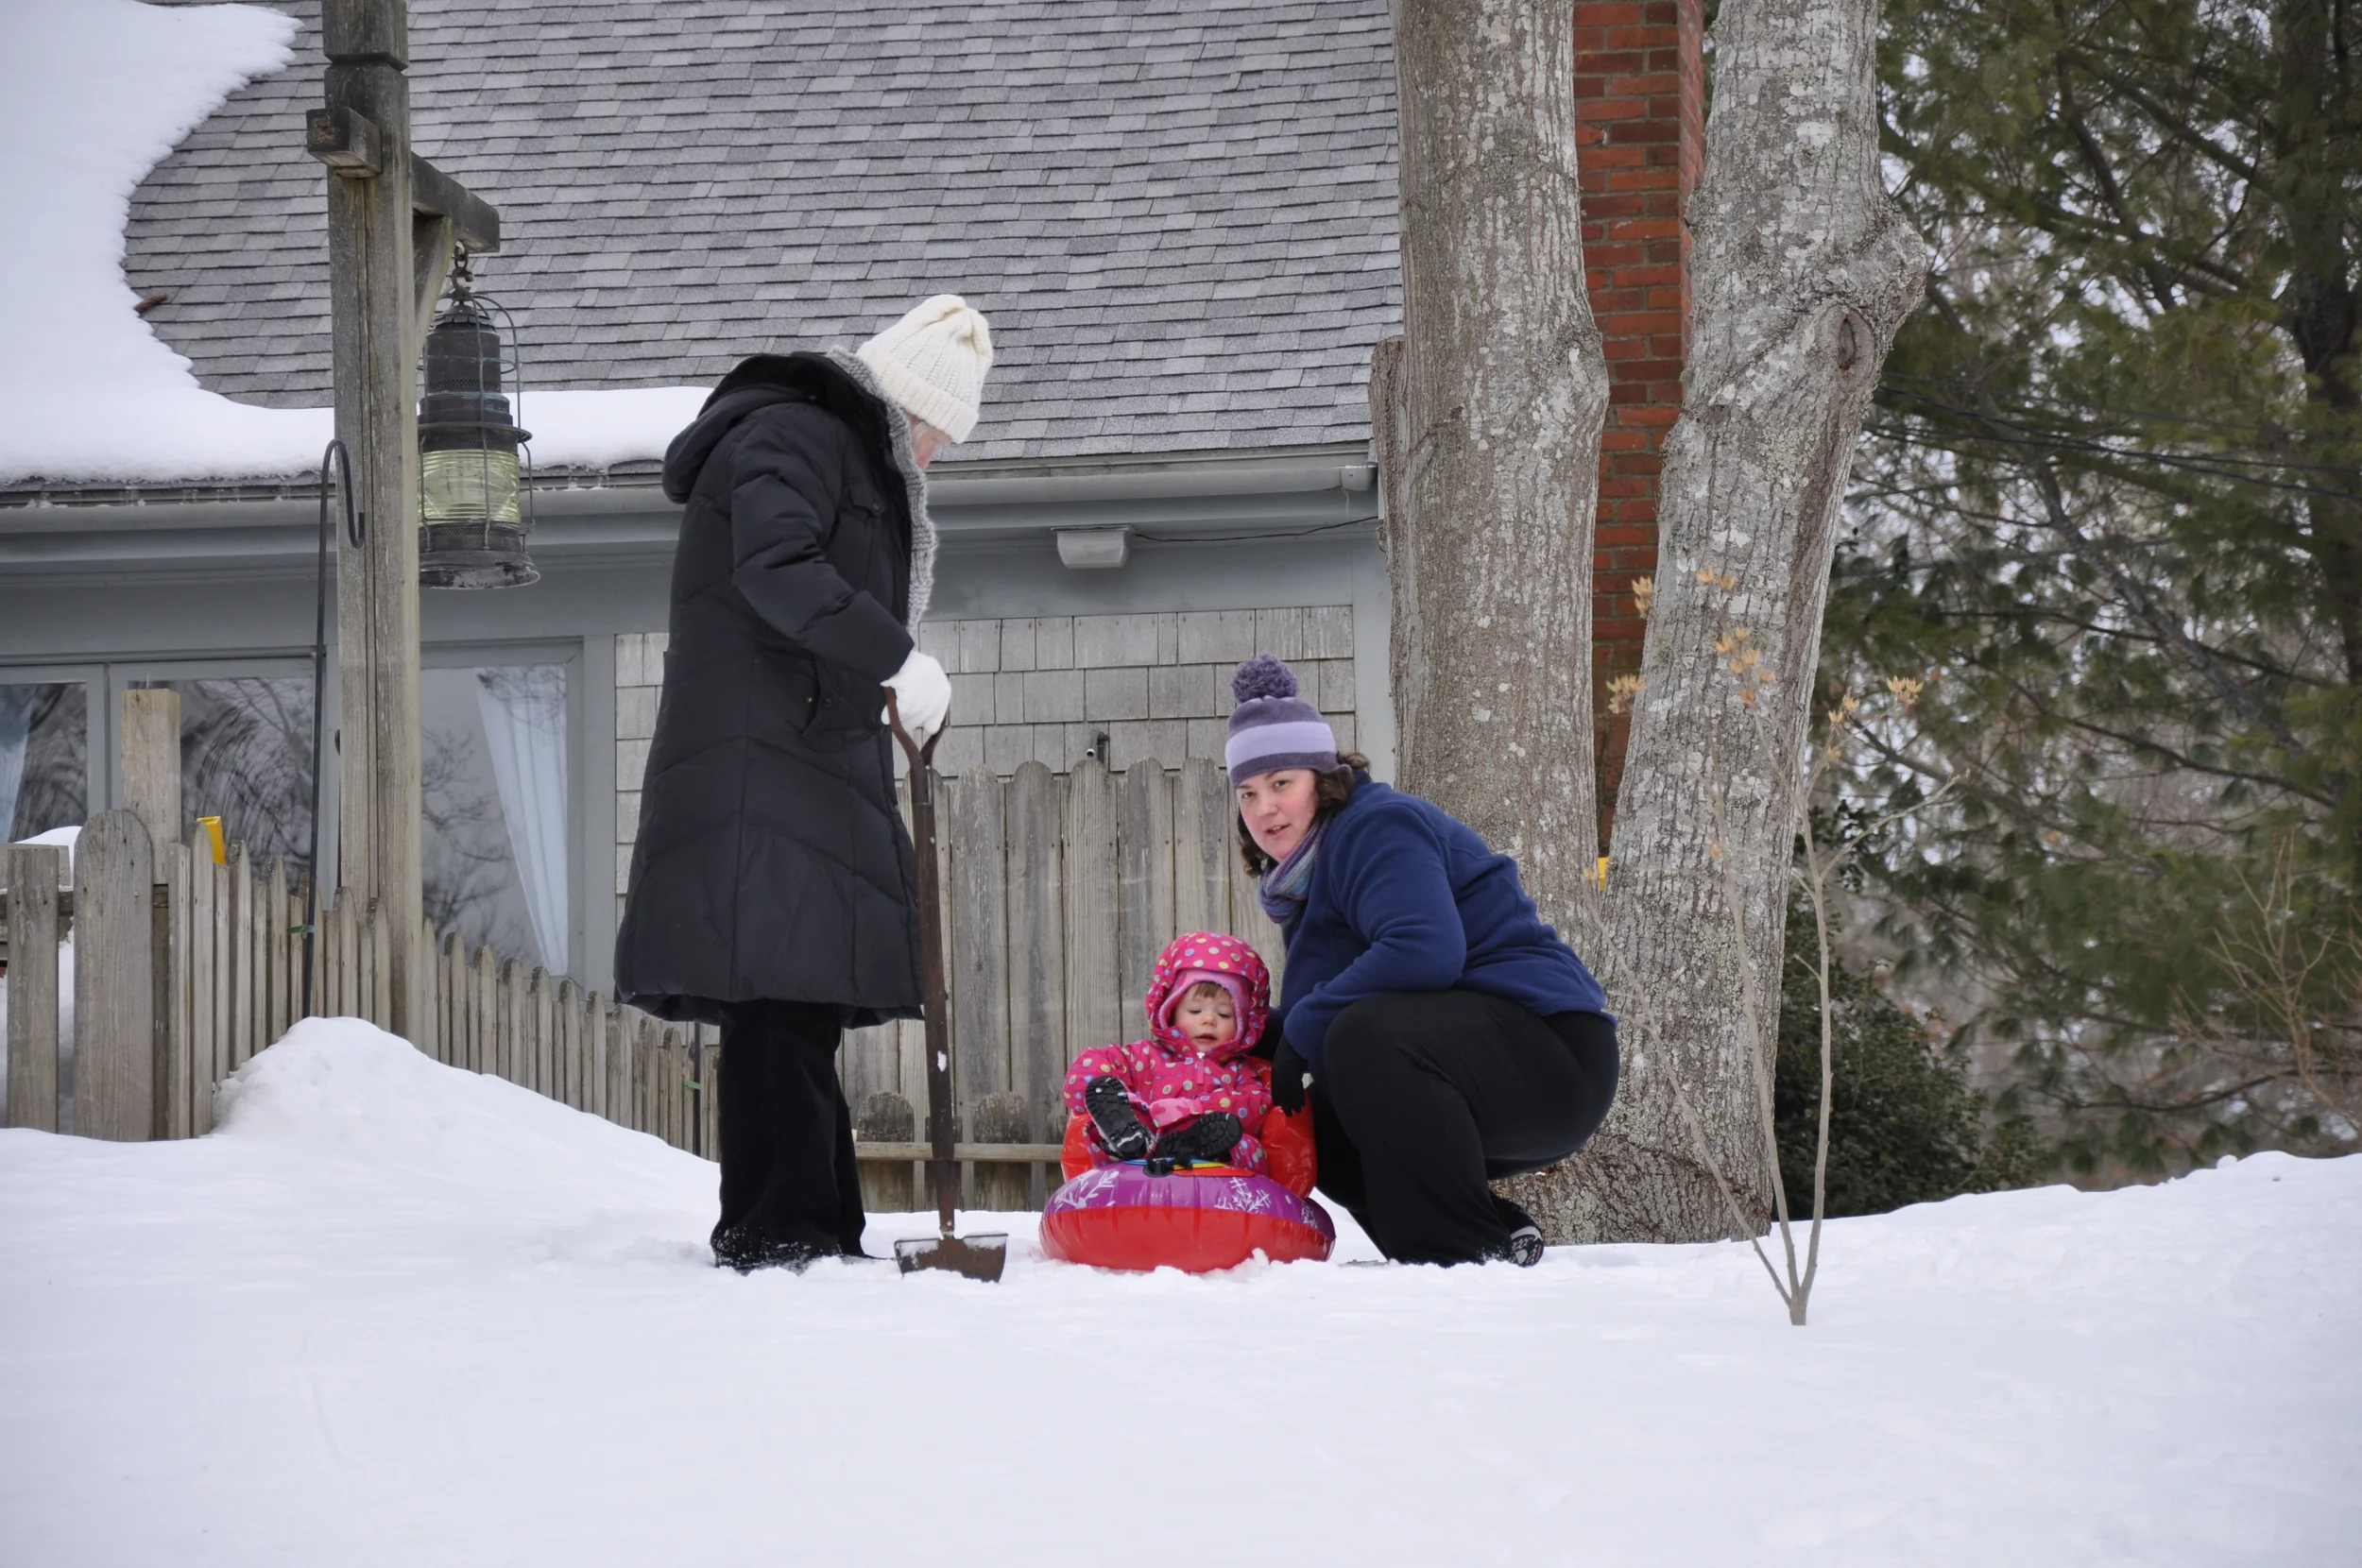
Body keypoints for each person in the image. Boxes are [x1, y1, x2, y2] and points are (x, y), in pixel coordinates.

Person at [614, 295, 992, 1271]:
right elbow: (777, 564)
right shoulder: (791, 434)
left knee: (801, 997)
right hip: (758, 757)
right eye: (936, 434)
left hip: (805, 747)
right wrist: (894, 656)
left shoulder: (837, 449)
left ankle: (818, 1230)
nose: (934, 458)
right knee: (778, 990)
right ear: (907, 405)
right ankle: (779, 1232)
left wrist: (883, 685)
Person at [1225, 655, 1619, 1266]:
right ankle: (1489, 1237)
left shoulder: (1375, 827)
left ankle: (1451, 1261)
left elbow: (1423, 951)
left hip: (1551, 1058)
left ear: (1322, 780)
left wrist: (1303, 1028)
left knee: (1359, 1036)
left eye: (1282, 784)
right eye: (1248, 793)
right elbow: (1317, 1011)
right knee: (1316, 1124)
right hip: (1466, 1066)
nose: (1264, 809)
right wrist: (1227, 1038)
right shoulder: (1309, 877)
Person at [1064, 931, 1278, 1171]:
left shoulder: (1240, 1071)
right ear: (1171, 1010)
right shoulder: (1144, 1056)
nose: (1209, 1020)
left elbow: (1255, 1106)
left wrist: (1194, 1110)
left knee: (1247, 1145)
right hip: (1143, 1149)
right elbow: (1090, 1063)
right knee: (1099, 1129)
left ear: (1243, 1023)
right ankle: (1127, 1139)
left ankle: (1191, 1148)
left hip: (1211, 1165)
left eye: (1224, 1014)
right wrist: (1130, 1105)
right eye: (1195, 1011)